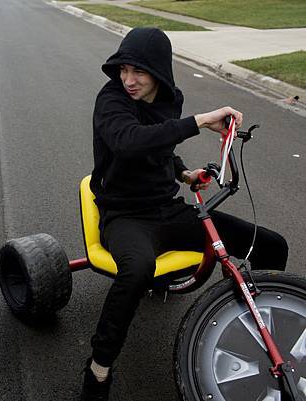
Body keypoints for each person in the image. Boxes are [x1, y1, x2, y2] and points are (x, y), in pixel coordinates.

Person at [83, 28, 288, 401]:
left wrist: (182, 173)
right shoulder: (111, 98)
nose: (128, 80)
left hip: (168, 209)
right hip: (124, 214)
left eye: (138, 72)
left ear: (158, 72)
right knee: (138, 270)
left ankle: (267, 333)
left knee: (271, 245)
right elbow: (129, 142)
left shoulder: (169, 98)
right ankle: (98, 368)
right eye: (124, 70)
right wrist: (199, 121)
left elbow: (160, 141)